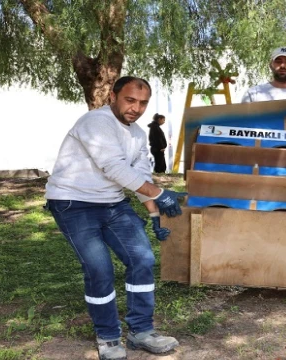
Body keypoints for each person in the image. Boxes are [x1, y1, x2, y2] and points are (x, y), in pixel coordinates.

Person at [44, 76, 186, 360]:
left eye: (143, 102)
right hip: (73, 203)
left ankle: (141, 331)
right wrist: (159, 194)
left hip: (112, 203)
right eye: (130, 100)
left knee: (143, 260)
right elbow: (114, 169)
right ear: (113, 95)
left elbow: (141, 175)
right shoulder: (96, 123)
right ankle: (108, 336)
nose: (136, 108)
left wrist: (155, 214)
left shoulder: (136, 133)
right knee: (99, 270)